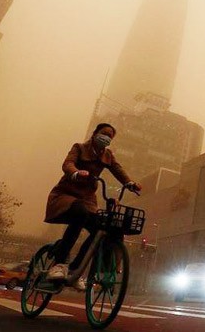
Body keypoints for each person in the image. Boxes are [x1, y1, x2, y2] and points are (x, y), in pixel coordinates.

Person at [44, 123, 141, 290]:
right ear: (95, 133)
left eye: (110, 136)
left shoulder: (107, 155)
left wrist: (129, 183)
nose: (107, 138)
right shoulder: (79, 148)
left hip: (88, 198)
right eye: (104, 133)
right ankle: (59, 264)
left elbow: (118, 170)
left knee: (101, 230)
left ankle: (75, 269)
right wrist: (75, 172)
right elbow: (68, 163)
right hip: (67, 194)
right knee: (80, 213)